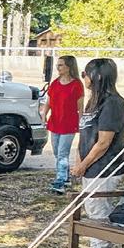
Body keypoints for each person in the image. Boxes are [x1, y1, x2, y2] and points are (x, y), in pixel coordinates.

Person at [74, 58, 124, 248]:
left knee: (99, 210)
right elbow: (84, 134)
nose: (83, 78)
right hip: (91, 166)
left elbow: (104, 142)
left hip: (106, 166)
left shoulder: (113, 104)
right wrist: (79, 160)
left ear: (97, 76)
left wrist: (84, 164)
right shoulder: (93, 102)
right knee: (92, 208)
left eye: (85, 74)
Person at [41, 54, 85, 195]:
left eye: (61, 65)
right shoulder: (55, 83)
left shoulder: (76, 85)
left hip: (69, 124)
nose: (58, 68)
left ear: (69, 67)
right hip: (55, 122)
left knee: (62, 153)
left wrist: (81, 123)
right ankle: (65, 177)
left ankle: (60, 180)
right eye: (57, 65)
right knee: (56, 151)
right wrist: (44, 114)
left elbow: (80, 107)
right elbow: (49, 102)